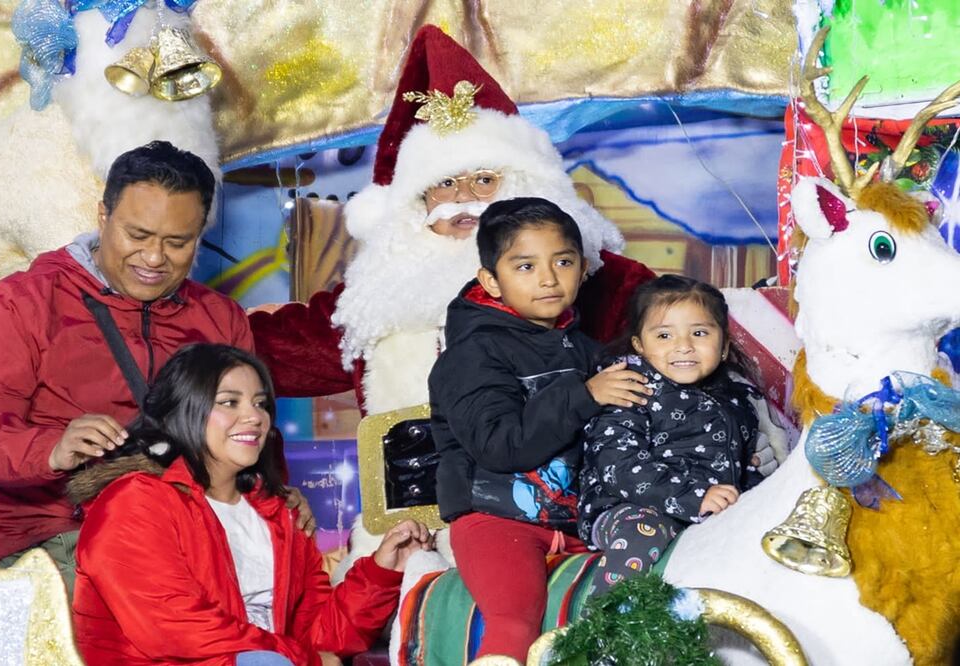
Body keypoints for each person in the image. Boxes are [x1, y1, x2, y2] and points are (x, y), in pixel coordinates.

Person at [0, 141, 311, 594]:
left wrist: (274, 497)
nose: (154, 259)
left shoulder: (220, 318)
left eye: (177, 242)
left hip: (195, 537)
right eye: (138, 236)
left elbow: (248, 436)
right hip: (60, 541)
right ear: (102, 217)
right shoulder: (29, 300)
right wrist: (51, 449)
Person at [249, 26, 655, 418]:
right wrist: (197, 325)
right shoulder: (378, 298)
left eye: (484, 181)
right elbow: (280, 350)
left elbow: (683, 339)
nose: (462, 198)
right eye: (443, 184)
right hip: (423, 484)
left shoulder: (604, 281)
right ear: (417, 205)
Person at [69, 343, 432, 666]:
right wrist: (302, 659)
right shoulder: (135, 501)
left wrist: (383, 573)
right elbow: (172, 627)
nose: (255, 417)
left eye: (261, 404)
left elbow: (320, 635)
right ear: (183, 410)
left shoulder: (279, 513)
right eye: (230, 402)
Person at [427, 198, 654, 661]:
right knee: (515, 616)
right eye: (525, 266)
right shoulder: (471, 355)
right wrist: (584, 396)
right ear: (491, 280)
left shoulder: (585, 349)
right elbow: (498, 446)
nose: (549, 279)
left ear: (582, 267)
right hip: (496, 519)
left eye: (563, 262)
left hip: (577, 521)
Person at [577, 275, 765, 597]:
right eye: (664, 335)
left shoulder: (737, 401)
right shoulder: (631, 388)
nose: (683, 346)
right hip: (628, 507)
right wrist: (694, 497)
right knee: (643, 531)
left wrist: (753, 490)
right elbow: (617, 466)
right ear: (640, 345)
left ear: (723, 347)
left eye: (700, 333)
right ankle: (604, 628)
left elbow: (740, 467)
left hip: (707, 510)